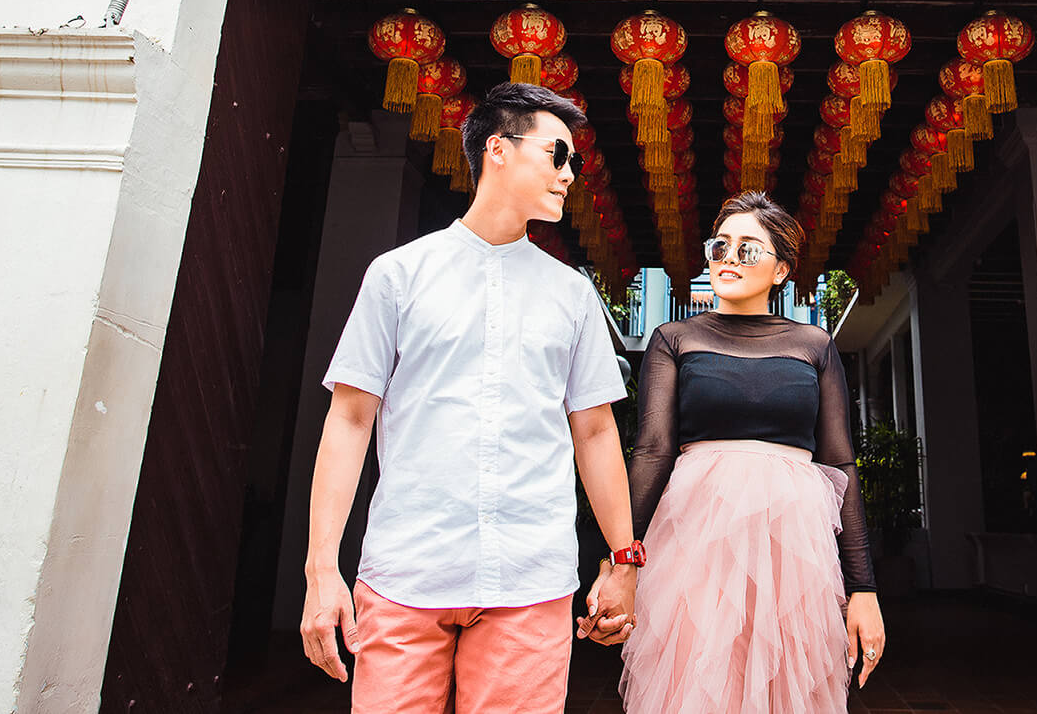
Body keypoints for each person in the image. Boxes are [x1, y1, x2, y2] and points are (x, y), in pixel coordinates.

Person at [301, 82, 643, 714]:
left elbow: (595, 432)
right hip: (405, 572)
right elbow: (349, 419)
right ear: (498, 150)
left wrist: (623, 559)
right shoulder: (398, 275)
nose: (570, 175)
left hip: (530, 578)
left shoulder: (572, 295)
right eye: (557, 155)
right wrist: (322, 566)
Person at [609, 191, 887, 714]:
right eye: (720, 247)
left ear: (781, 269)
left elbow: (840, 465)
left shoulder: (814, 344)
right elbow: (651, 451)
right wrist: (621, 559)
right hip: (695, 541)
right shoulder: (674, 338)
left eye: (747, 250)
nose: (728, 260)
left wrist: (863, 589)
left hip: (796, 550)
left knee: (788, 688)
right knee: (696, 681)